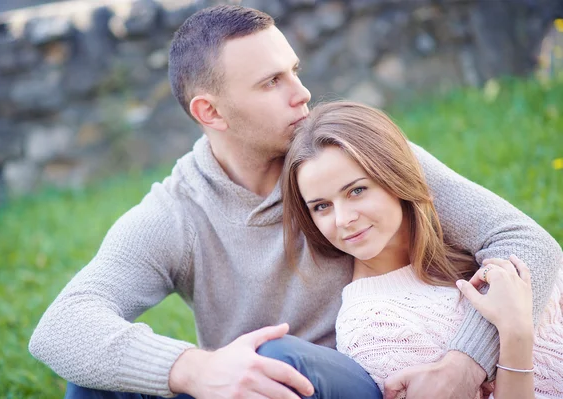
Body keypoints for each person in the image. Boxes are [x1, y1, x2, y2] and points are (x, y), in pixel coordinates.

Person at [28, 5, 562, 399]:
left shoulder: (346, 157)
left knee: (273, 359)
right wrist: (193, 368)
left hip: (375, 379)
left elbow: (526, 244)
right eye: (272, 82)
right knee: (92, 384)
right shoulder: (176, 215)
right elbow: (62, 326)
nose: (301, 92)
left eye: (295, 70)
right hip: (261, 391)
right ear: (210, 112)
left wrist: (464, 362)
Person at [281, 101, 563, 399]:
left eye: (357, 191)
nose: (343, 220)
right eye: (322, 206)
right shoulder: (374, 328)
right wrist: (515, 339)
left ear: (395, 176)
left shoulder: (475, 248)